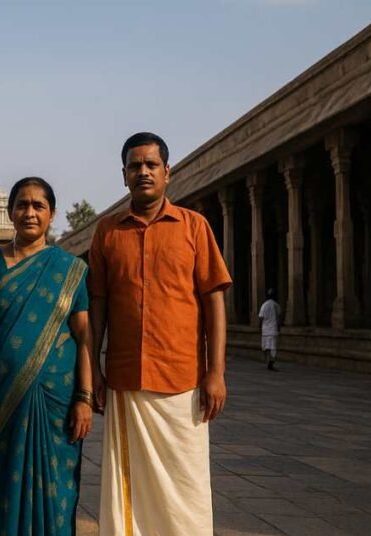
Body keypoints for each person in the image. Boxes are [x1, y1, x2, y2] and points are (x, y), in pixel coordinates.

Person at [89, 132, 231, 536]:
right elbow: (97, 304)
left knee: (186, 486)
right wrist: (93, 369)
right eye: (135, 166)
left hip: (184, 380)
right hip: (125, 379)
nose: (143, 172)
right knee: (127, 488)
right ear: (124, 175)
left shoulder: (194, 227)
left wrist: (216, 372)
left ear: (168, 172)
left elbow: (214, 302)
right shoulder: (108, 232)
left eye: (152, 165)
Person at [0, 177, 95, 535]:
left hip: (56, 402)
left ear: (52, 215)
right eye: (22, 205)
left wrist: (84, 397)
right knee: (2, 487)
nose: (30, 212)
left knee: (57, 489)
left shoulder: (70, 270)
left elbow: (84, 337)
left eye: (38, 206)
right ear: (10, 212)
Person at [259, 288, 283, 371]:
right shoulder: (276, 305)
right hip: (273, 329)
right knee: (273, 347)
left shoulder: (264, 305)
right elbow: (279, 318)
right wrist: (279, 328)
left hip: (265, 329)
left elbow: (261, 317)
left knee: (266, 347)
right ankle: (271, 361)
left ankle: (268, 360)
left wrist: (260, 327)